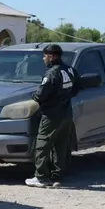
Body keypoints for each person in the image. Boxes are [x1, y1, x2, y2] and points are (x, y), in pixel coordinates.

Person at [27, 44, 80, 189]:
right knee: (60, 146)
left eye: (44, 56)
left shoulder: (51, 73)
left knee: (43, 144)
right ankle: (56, 177)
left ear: (51, 56)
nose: (43, 59)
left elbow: (40, 95)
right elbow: (76, 88)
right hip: (66, 113)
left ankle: (41, 177)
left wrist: (34, 96)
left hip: (51, 115)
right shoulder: (69, 70)